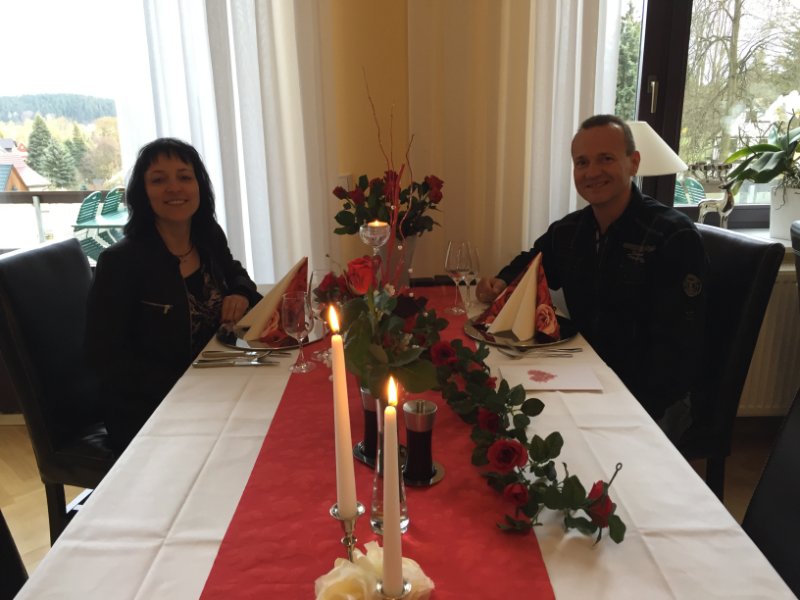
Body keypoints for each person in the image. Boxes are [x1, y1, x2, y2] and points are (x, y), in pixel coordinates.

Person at [477, 115, 707, 440]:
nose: (592, 172)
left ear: (633, 162)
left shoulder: (672, 235)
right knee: (504, 415)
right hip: (584, 372)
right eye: (582, 162)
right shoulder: (570, 230)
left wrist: (610, 402)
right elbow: (533, 263)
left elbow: (676, 349)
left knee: (559, 443)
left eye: (606, 159)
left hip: (652, 396)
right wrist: (501, 282)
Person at [86, 138, 262, 453]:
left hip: (212, 387)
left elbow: (237, 274)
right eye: (158, 180)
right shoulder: (120, 262)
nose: (174, 188)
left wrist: (239, 293)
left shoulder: (207, 236)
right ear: (142, 193)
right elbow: (105, 358)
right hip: (148, 411)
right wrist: (191, 383)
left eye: (184, 177)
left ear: (199, 186)